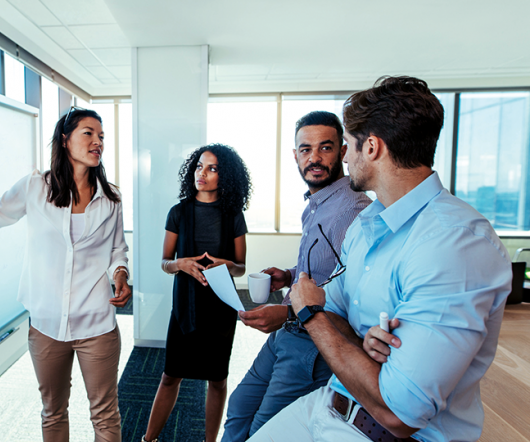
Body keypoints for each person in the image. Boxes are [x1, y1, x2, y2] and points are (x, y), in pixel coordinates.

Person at [249, 76, 513, 442]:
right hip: (329, 404)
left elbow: (400, 412)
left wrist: (310, 314)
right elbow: (333, 306)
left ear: (371, 147)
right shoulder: (368, 223)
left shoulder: (456, 244)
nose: (346, 158)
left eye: (349, 146)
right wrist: (359, 341)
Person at [0, 107, 131, 442]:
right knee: (53, 412)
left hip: (96, 323)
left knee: (105, 415)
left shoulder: (111, 198)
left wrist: (121, 275)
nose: (98, 141)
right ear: (65, 140)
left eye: (101, 136)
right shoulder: (35, 187)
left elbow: (117, 250)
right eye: (88, 133)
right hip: (47, 324)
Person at [221, 111, 371, 441]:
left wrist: (287, 312)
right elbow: (325, 269)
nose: (314, 158)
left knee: (265, 432)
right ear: (295, 155)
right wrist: (289, 276)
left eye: (325, 148)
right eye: (306, 149)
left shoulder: (353, 210)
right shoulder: (317, 204)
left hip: (312, 342)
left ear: (343, 151)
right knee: (240, 406)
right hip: (287, 333)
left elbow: (348, 292)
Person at [142, 144, 252, 442]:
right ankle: (148, 439)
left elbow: (240, 267)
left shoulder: (233, 215)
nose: (201, 173)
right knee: (170, 376)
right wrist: (180, 264)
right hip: (185, 307)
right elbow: (165, 262)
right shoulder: (178, 212)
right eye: (199, 166)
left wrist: (226, 265)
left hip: (220, 309)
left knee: (217, 380)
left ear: (225, 176)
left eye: (212, 168)